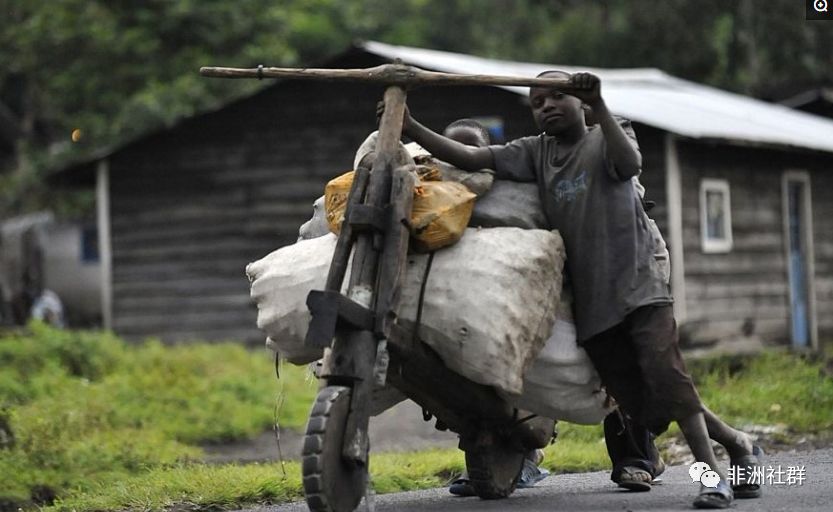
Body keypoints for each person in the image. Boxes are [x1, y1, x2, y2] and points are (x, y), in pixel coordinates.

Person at [389, 71, 762, 509]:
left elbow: (631, 164)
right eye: (536, 101)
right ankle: (738, 443)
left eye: (556, 97)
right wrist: (411, 128)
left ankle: (711, 477)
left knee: (669, 380)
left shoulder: (610, 133)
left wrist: (600, 107)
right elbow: (473, 157)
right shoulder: (535, 153)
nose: (545, 106)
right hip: (594, 304)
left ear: (581, 102)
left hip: (640, 288)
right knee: (646, 402)